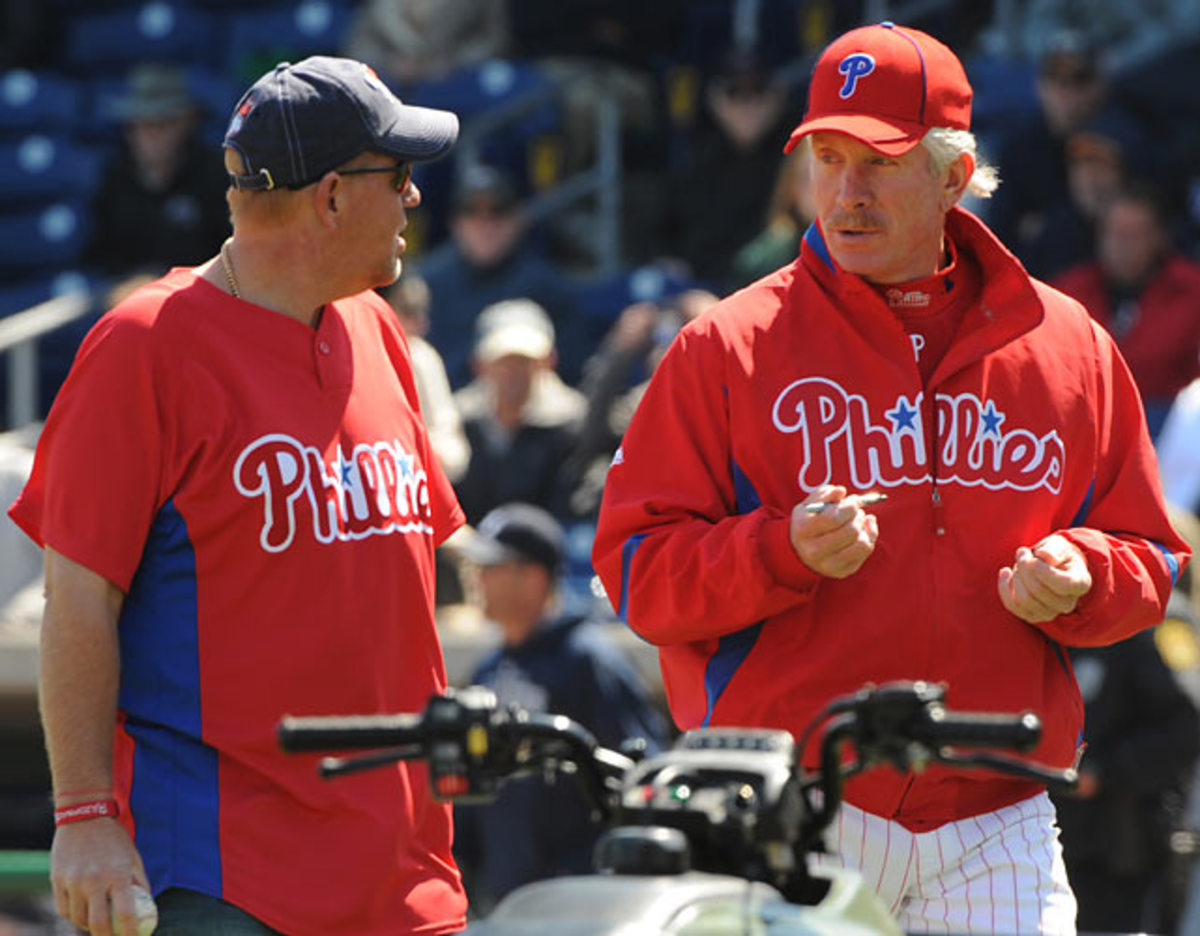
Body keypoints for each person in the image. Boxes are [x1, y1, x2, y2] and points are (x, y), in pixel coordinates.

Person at [591, 22, 1190, 935]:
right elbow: (637, 573)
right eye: (827, 158)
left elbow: (1149, 558)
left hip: (997, 814)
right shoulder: (728, 347)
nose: (846, 192)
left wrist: (1085, 576)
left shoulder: (1068, 346)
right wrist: (778, 550)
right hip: (795, 802)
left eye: (879, 161)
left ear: (955, 176)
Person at [8, 56, 468, 935]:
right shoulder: (145, 347)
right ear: (331, 197)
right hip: (227, 879)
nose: (414, 197)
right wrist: (85, 815)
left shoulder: (378, 330)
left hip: (403, 869)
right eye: (399, 174)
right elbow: (77, 600)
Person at [452, 502, 667, 913]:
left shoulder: (588, 660)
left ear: (533, 577)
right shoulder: (490, 669)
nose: (477, 578)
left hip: (580, 905)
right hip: (508, 907)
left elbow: (640, 773)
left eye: (492, 567)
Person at [1051, 626, 1200, 934]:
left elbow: (1187, 727)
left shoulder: (1161, 628)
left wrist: (1104, 772)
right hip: (1058, 839)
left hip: (1125, 851)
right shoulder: (1055, 621)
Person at [1054, 183, 1200, 438]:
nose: (1122, 246)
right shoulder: (1067, 293)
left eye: (1134, 235)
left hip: (1169, 431)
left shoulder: (1192, 292)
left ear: (1158, 238)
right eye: (1114, 234)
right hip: (1085, 426)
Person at [419, 164, 580, 388]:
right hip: (446, 403)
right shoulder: (428, 288)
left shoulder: (548, 287)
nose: (486, 224)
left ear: (519, 219)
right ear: (455, 223)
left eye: (498, 211)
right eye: (472, 212)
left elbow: (571, 372)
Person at [83, 63, 230, 292]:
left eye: (162, 124)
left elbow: (230, 255)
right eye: (140, 125)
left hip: (203, 294)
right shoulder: (114, 179)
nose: (150, 135)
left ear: (186, 123)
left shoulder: (215, 176)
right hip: (132, 296)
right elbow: (101, 256)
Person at [453, 298, 585, 524]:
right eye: (503, 361)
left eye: (525, 361)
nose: (513, 372)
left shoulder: (572, 424)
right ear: (480, 364)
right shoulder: (455, 421)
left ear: (548, 362)